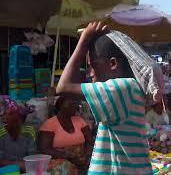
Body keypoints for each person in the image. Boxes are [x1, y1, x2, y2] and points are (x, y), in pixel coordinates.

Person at [56, 22, 154, 174]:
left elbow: (63, 87)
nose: (90, 73)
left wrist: (83, 41)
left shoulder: (121, 88)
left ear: (113, 63)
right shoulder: (129, 88)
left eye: (92, 65)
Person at [38, 96, 92, 173]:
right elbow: (44, 148)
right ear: (60, 107)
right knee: (64, 168)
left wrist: (86, 156)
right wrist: (68, 157)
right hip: (59, 158)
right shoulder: (50, 124)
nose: (74, 106)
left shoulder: (80, 121)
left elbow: (90, 141)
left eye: (75, 104)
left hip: (81, 156)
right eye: (70, 104)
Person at [0, 97, 36, 171]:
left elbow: (33, 156)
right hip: (5, 169)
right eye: (4, 114)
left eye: (10, 114)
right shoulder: (1, 132)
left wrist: (24, 165)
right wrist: (16, 164)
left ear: (19, 117)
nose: (5, 117)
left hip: (26, 167)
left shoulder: (29, 131)